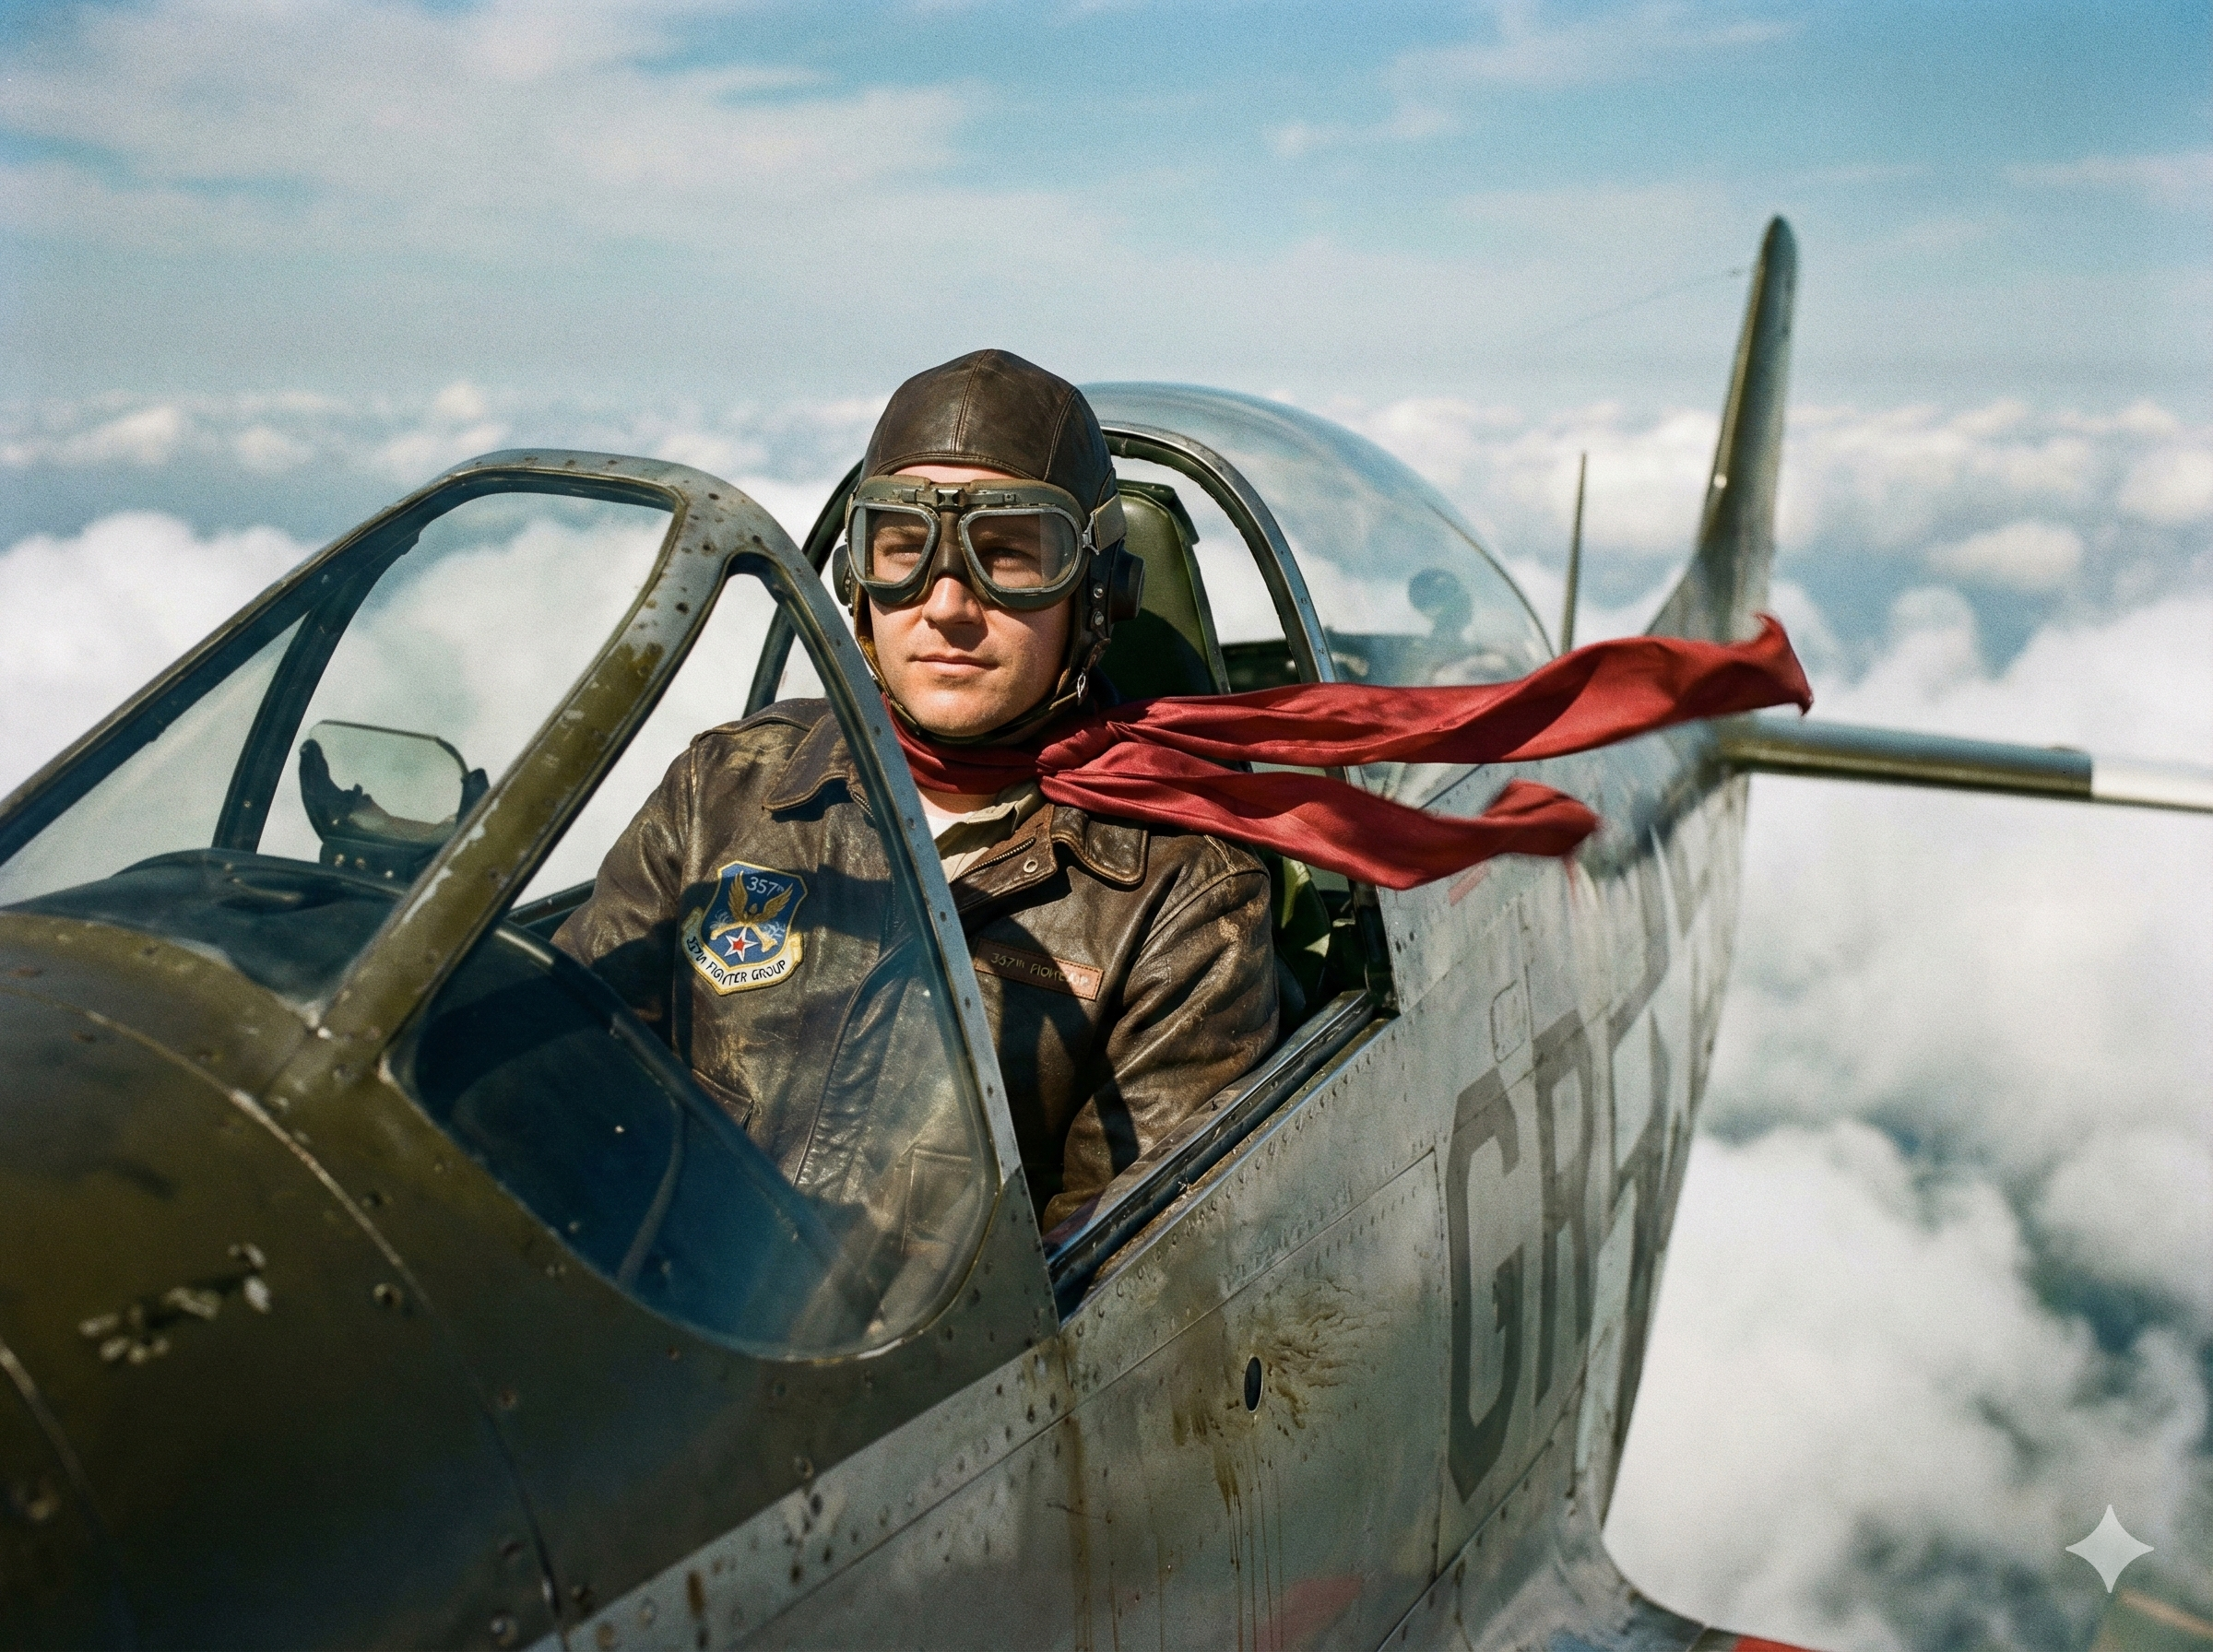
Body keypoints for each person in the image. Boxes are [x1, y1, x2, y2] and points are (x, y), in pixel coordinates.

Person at [555, 349, 1279, 1231]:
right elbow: (564, 1078)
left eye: (1008, 555)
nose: (945, 605)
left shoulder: (1183, 895)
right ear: (856, 584)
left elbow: (1110, 1268)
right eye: (902, 549)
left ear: (1095, 594)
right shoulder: (724, 788)